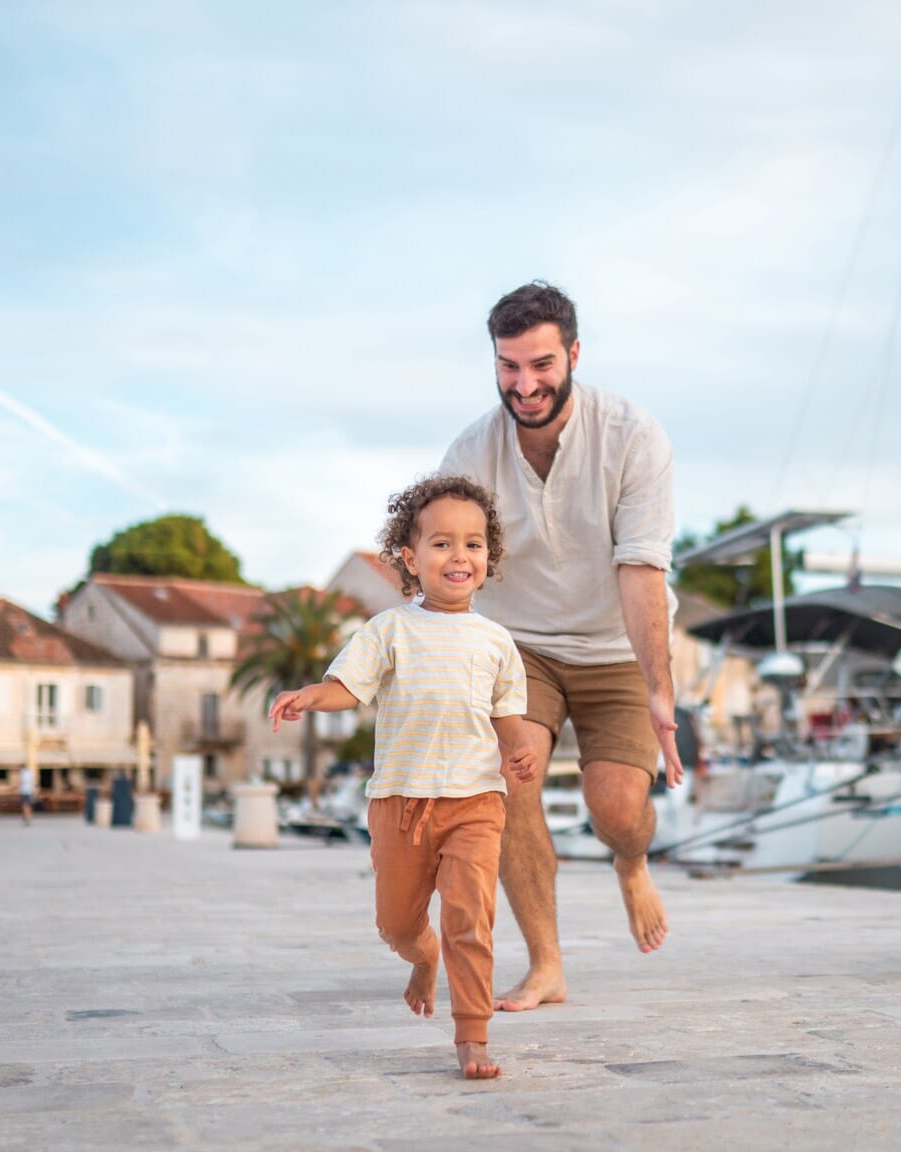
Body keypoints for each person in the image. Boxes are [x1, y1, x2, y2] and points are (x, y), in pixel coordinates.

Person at [439, 281, 684, 1013]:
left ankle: (631, 861)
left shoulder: (633, 436)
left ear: (574, 353)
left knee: (617, 808)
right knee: (509, 780)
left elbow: (640, 570)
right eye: (509, 366)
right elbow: (450, 567)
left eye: (542, 365)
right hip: (523, 648)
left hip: (616, 643)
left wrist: (660, 690)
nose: (525, 385)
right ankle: (546, 965)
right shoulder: (469, 453)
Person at [270, 475, 538, 1080]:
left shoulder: (497, 642)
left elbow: (507, 718)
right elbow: (348, 687)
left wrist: (520, 750)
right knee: (395, 924)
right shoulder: (389, 630)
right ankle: (422, 958)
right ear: (411, 559)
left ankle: (472, 1035)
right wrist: (311, 695)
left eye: (473, 544)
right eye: (442, 543)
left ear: (488, 558)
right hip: (399, 803)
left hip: (475, 800)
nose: (459, 556)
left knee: (470, 917)